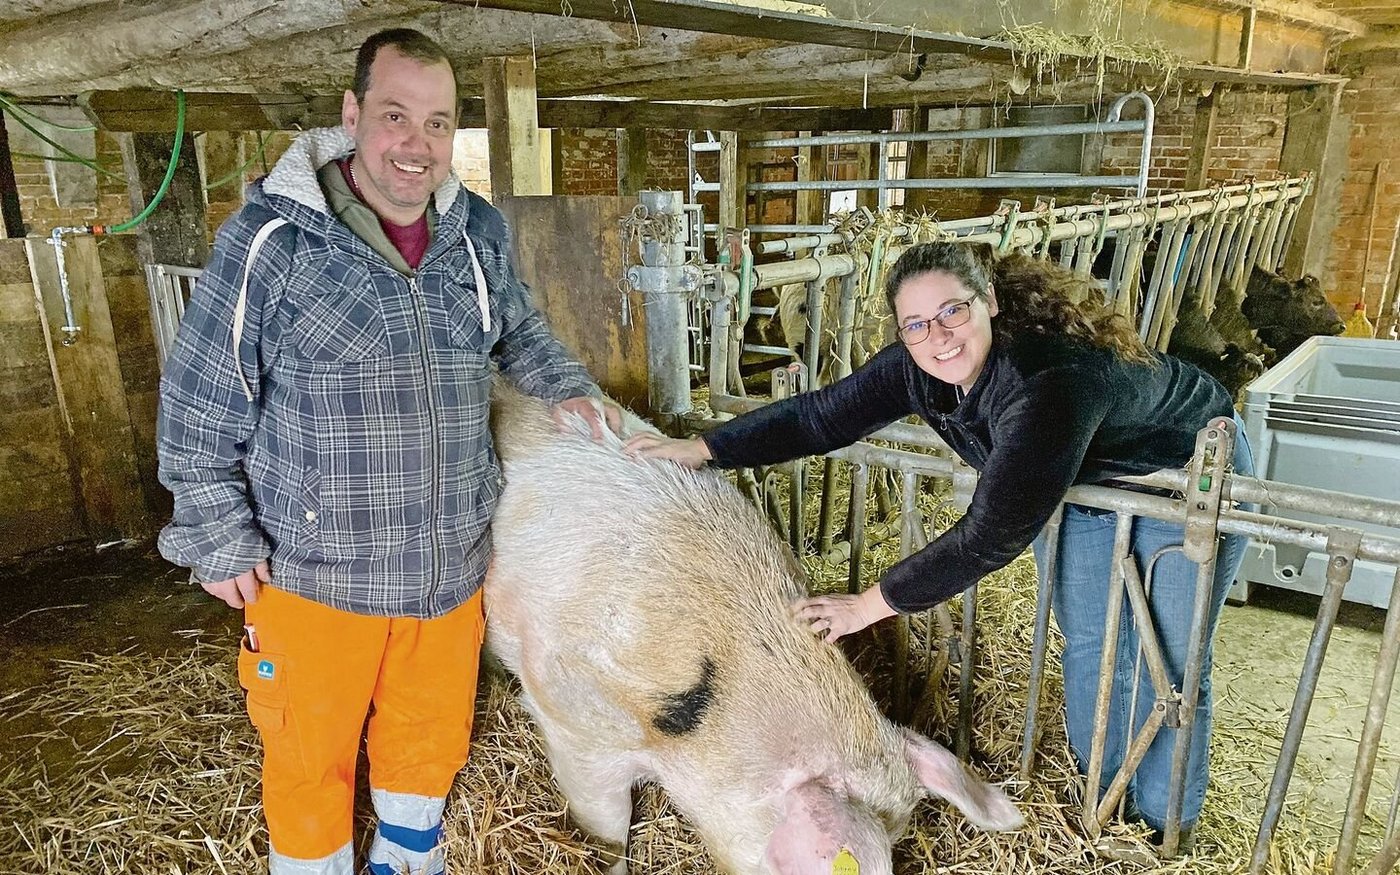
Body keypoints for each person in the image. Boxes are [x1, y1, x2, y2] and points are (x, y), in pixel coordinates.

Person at [157, 28, 614, 875]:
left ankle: (405, 859)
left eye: (438, 124)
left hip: (447, 565)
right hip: (316, 571)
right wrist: (215, 532)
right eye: (396, 116)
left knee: (428, 734)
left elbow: (516, 327)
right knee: (310, 750)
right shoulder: (272, 242)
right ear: (352, 112)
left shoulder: (473, 232)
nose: (417, 144)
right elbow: (200, 396)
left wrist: (568, 388)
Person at [626, 241, 1253, 855]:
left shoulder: (1049, 382)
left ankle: (1162, 825)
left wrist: (866, 606)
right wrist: (705, 448)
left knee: (1167, 662)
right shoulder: (916, 366)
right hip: (1086, 487)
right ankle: (1105, 800)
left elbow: (989, 536)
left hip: (1185, 482)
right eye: (917, 324)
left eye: (954, 311)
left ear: (990, 302)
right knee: (1094, 643)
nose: (939, 336)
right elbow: (820, 417)